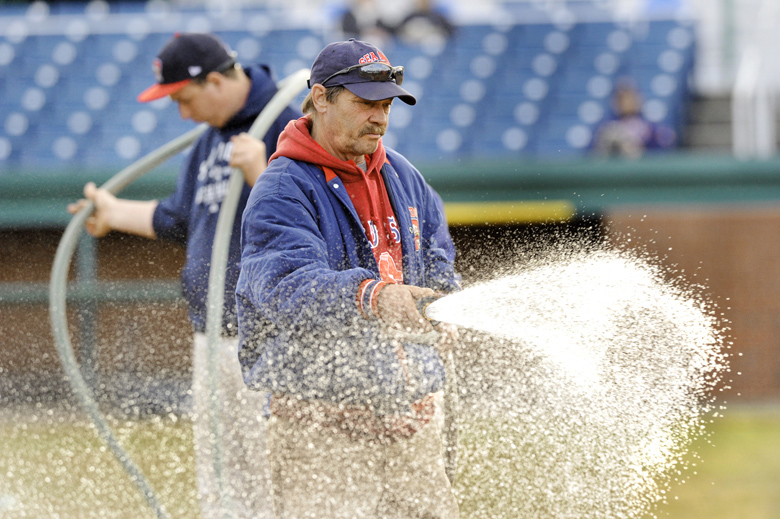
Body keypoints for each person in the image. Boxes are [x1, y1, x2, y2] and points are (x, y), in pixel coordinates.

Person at [67, 32, 301, 519]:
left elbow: (318, 217)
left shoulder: (287, 123)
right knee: (220, 474)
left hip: (270, 337)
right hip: (211, 333)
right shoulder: (208, 140)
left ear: (215, 81)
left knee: (271, 470)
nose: (182, 114)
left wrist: (263, 173)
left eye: (184, 99)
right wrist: (112, 213)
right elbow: (179, 219)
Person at [235, 38, 462, 518]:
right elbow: (286, 285)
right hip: (323, 433)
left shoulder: (405, 176)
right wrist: (373, 297)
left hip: (412, 424)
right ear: (321, 98)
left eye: (386, 105)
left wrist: (442, 303)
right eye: (364, 103)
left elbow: (439, 256)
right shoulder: (282, 188)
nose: (379, 117)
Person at [591, 78, 676, 158]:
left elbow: (662, 152)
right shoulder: (606, 127)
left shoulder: (650, 128)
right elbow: (592, 154)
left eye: (630, 97)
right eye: (622, 98)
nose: (627, 102)